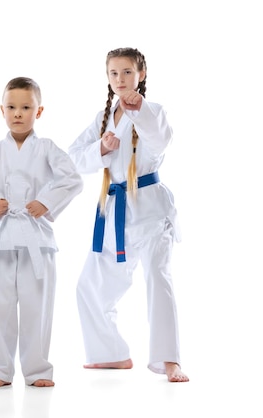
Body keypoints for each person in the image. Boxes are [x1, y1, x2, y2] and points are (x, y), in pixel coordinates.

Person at [68, 47, 189, 383]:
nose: (120, 79)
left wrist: (138, 112)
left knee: (157, 279)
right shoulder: (103, 117)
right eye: (113, 73)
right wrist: (101, 149)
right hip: (114, 213)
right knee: (88, 285)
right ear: (107, 78)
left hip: (150, 211)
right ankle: (111, 353)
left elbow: (160, 139)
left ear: (141, 75)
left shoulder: (153, 111)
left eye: (126, 72)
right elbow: (73, 157)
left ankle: (169, 361)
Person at [0, 77, 83, 388]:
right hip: (0, 236)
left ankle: (38, 369)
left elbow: (72, 179)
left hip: (36, 239)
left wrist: (45, 202)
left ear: (38, 111)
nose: (18, 113)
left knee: (37, 305)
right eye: (11, 107)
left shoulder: (47, 149)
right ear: (1, 110)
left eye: (26, 107)